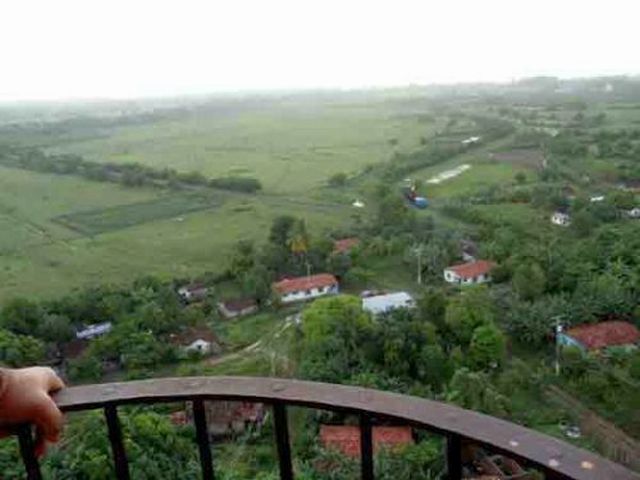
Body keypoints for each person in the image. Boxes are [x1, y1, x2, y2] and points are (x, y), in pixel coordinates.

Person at [0, 367, 65, 456]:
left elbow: (53, 421)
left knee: (44, 418)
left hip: (43, 376)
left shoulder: (27, 398)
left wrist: (46, 438)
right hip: (16, 382)